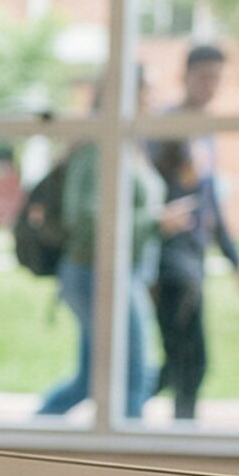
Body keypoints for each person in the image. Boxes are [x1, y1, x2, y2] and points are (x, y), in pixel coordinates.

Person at [40, 70, 170, 418]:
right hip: (96, 271)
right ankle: (127, 468)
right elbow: (86, 215)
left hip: (114, 272)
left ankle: (25, 441)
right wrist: (156, 221)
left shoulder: (128, 147)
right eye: (148, 95)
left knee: (88, 381)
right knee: (134, 377)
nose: (154, 104)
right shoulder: (100, 148)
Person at [146, 42, 239, 421]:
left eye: (217, 78)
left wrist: (236, 261)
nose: (211, 85)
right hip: (167, 261)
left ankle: (127, 407)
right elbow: (144, 193)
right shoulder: (164, 126)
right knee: (187, 361)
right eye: (204, 76)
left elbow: (211, 203)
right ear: (186, 76)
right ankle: (174, 435)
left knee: (183, 362)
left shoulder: (207, 132)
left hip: (193, 258)